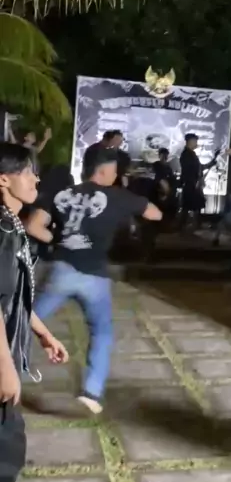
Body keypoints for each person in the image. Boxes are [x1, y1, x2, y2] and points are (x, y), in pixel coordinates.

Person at [25, 147, 162, 415]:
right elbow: (155, 214)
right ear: (104, 170)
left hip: (62, 271)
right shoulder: (118, 196)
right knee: (101, 331)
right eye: (115, 171)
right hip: (95, 278)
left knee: (25, 320)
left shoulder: (62, 193)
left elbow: (33, 226)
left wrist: (58, 240)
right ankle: (91, 394)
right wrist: (128, 207)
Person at [0, 143, 69, 482]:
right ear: (3, 179)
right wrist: (6, 368)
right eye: (27, 172)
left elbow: (17, 295)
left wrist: (42, 333)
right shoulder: (1, 230)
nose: (35, 179)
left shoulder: (12, 224)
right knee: (7, 448)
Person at [179, 134, 219, 231]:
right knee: (191, 205)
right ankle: (187, 225)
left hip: (193, 184)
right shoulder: (186, 155)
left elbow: (200, 168)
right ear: (190, 142)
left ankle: (190, 225)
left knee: (193, 205)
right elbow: (193, 170)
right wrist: (197, 179)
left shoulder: (191, 154)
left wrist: (212, 161)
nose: (196, 143)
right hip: (191, 184)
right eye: (195, 141)